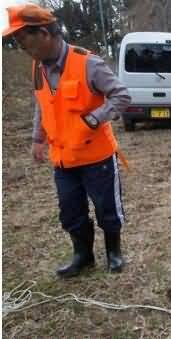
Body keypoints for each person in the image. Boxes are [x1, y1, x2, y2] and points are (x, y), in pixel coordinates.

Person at [3, 4, 131, 277]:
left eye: (23, 37)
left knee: (107, 209)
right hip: (62, 158)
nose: (20, 45)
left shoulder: (88, 63)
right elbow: (42, 103)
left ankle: (114, 254)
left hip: (96, 157)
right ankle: (83, 256)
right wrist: (38, 138)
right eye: (16, 39)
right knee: (70, 212)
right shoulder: (38, 67)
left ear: (45, 33)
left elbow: (121, 95)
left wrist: (95, 119)